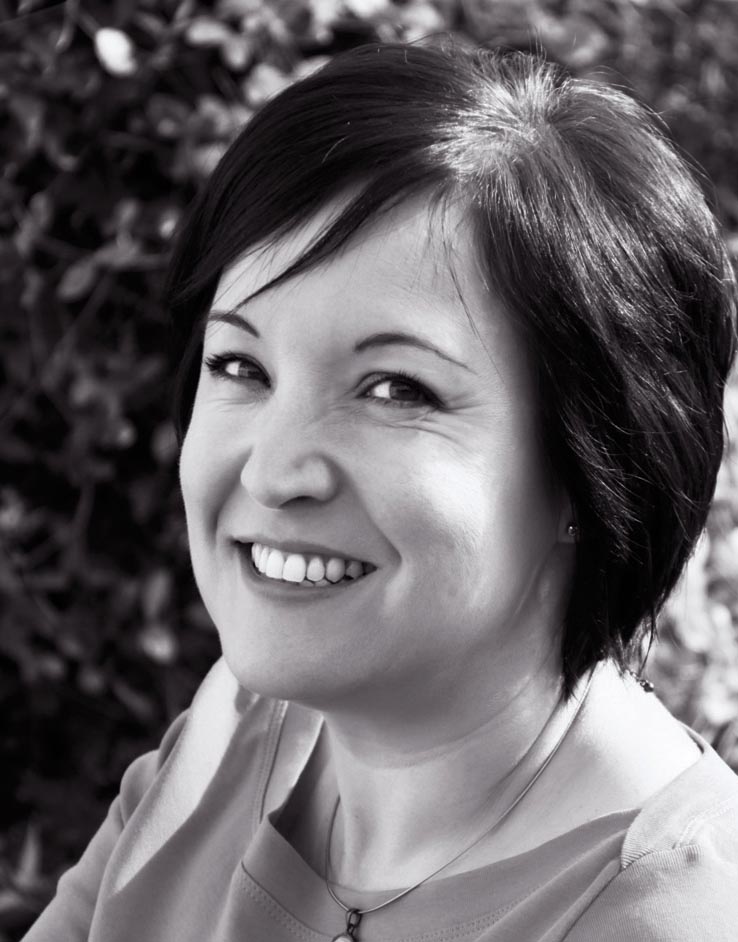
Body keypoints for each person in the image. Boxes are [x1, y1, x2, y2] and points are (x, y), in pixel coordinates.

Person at [23, 38, 738, 942]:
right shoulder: (221, 747)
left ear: (594, 468)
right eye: (240, 365)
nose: (273, 472)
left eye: (397, 390)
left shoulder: (678, 915)